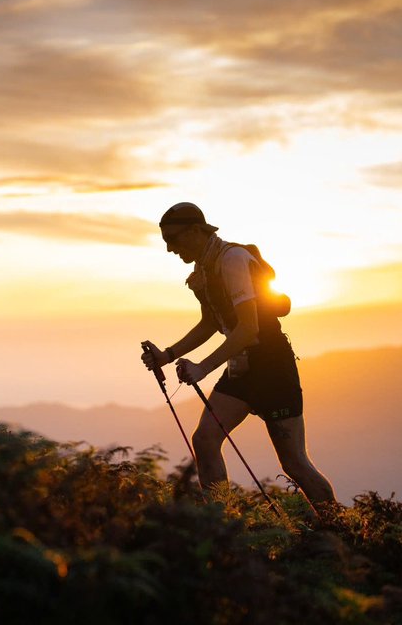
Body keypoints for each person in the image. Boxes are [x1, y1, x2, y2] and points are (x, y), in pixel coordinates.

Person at [141, 202, 336, 514]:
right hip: (241, 367)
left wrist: (203, 367)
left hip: (272, 366)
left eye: (173, 240)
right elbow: (211, 323)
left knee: (295, 464)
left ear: (194, 231)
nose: (169, 249)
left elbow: (248, 330)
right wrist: (168, 355)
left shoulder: (232, 260)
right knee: (205, 440)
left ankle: (341, 530)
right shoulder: (204, 269)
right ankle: (221, 523)